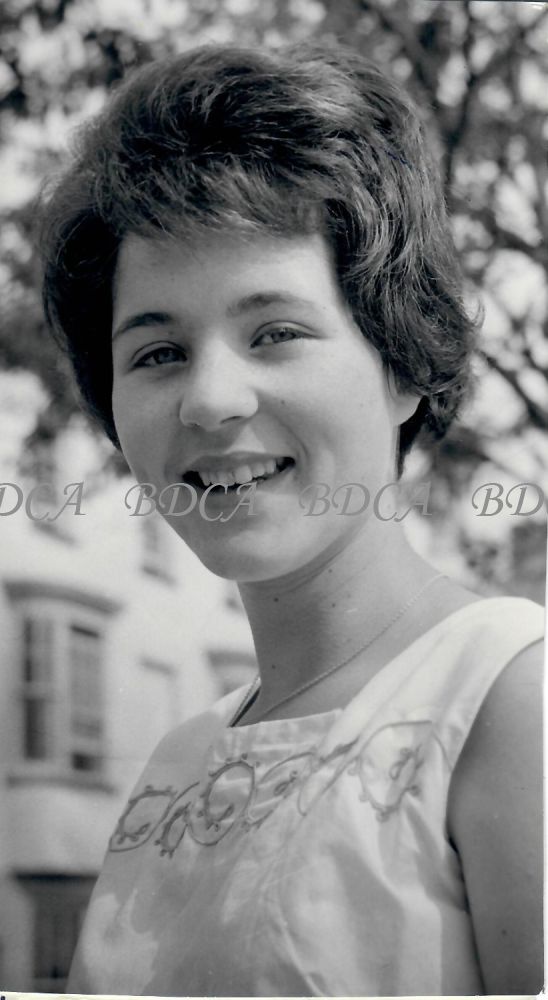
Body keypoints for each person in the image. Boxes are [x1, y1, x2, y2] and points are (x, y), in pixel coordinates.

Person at [39, 42, 543, 997]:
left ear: (402, 362)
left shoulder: (510, 696)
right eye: (157, 352)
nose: (210, 400)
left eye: (275, 333)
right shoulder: (177, 762)